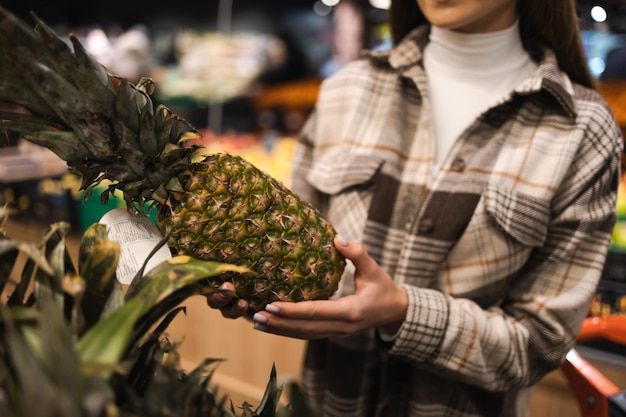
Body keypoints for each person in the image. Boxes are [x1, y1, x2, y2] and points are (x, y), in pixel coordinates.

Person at [207, 0, 624, 416]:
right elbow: (289, 264)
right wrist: (258, 293)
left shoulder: (581, 128)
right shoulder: (345, 91)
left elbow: (539, 344)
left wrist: (404, 314)